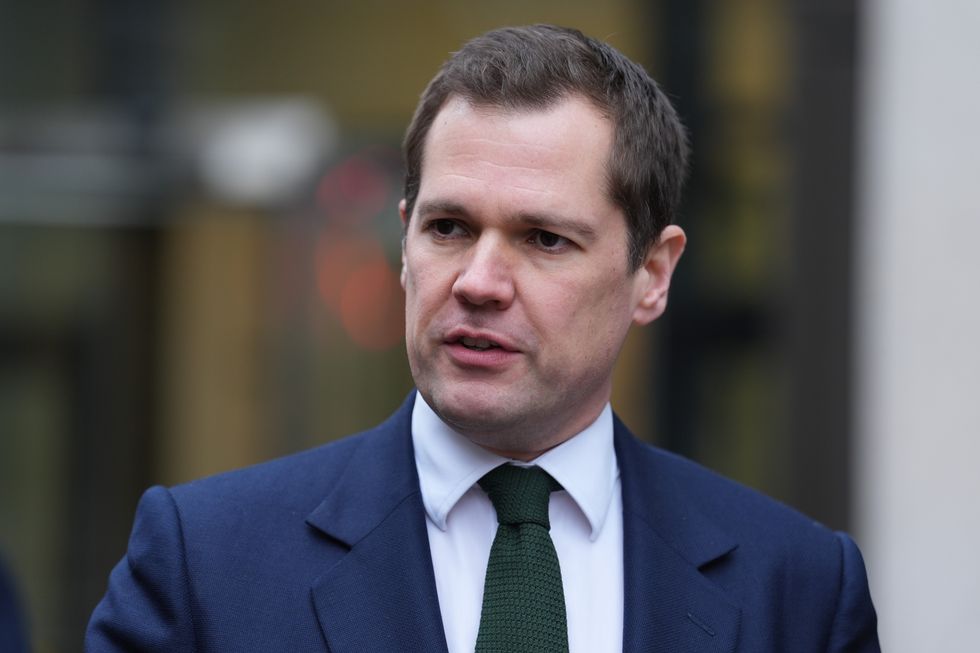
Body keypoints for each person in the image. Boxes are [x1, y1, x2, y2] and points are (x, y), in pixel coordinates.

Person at [86, 24, 879, 652]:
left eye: (543, 239)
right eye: (449, 227)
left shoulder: (796, 588)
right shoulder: (208, 565)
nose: (478, 280)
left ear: (653, 273)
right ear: (404, 241)